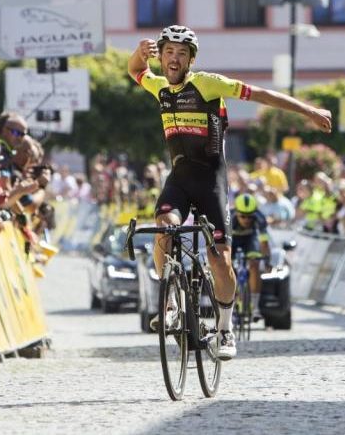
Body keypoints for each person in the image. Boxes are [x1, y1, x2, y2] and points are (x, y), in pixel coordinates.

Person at [128, 25, 331, 359]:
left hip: (211, 182)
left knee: (218, 257)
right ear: (162, 58)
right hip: (178, 179)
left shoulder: (207, 83)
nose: (174, 59)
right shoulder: (159, 87)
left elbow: (262, 95)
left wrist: (309, 112)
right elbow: (136, 70)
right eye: (168, 53)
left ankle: (224, 328)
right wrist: (140, 52)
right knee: (163, 226)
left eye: (181, 53)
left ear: (191, 59)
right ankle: (171, 305)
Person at [230, 193, 272, 320]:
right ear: (236, 212)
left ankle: (255, 306)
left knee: (254, 264)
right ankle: (232, 298)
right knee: (227, 266)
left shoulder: (259, 217)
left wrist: (267, 261)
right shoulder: (229, 218)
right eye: (242, 216)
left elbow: (264, 242)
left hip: (250, 239)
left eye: (250, 216)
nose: (246, 220)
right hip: (232, 240)